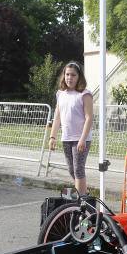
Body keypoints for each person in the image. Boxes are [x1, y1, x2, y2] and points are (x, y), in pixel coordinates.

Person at [49, 62, 94, 195]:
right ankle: (84, 194)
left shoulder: (85, 94)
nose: (70, 78)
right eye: (67, 74)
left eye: (73, 75)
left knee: (78, 170)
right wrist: (52, 137)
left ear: (79, 77)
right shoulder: (61, 94)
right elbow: (57, 118)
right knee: (71, 170)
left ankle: (82, 201)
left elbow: (89, 118)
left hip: (80, 139)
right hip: (67, 138)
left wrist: (83, 139)